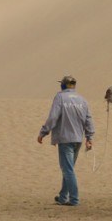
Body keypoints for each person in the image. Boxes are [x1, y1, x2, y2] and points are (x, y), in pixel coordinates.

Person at [37, 75, 95, 206]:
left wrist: (43, 132)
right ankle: (63, 197)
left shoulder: (60, 97)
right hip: (78, 140)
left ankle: (74, 199)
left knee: (67, 169)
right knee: (68, 168)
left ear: (63, 85)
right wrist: (89, 138)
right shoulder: (82, 100)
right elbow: (89, 120)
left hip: (65, 139)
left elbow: (53, 117)